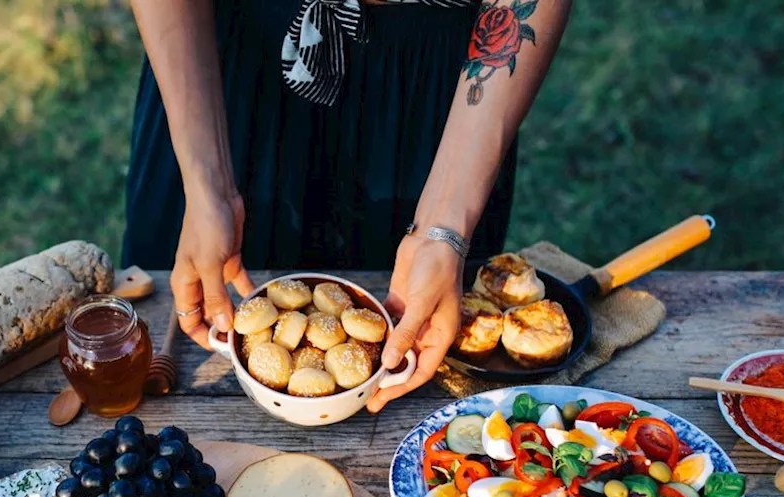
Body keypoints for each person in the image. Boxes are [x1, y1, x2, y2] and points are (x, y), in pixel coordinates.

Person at [124, 0, 571, 410]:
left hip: (443, 91)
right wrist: (207, 188)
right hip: (221, 68)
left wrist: (443, 227)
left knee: (419, 326)